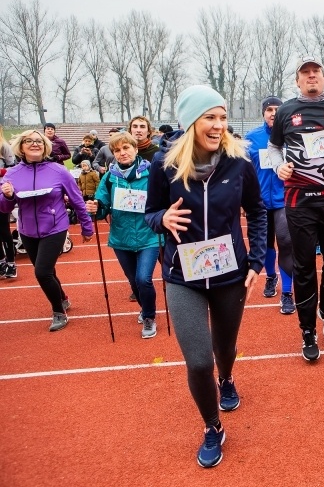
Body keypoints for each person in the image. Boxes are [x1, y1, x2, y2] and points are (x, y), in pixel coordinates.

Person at [144, 85, 268, 468]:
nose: (218, 125)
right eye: (210, 117)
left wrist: (257, 260)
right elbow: (150, 214)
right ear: (191, 121)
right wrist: (161, 219)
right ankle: (213, 426)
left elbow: (257, 212)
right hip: (183, 276)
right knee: (199, 361)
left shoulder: (239, 163)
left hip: (230, 273)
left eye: (222, 117)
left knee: (224, 350)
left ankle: (227, 378)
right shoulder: (163, 165)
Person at [266, 56, 324, 362]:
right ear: (297, 80)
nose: (310, 76)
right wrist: (279, 167)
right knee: (304, 266)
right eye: (304, 73)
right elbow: (274, 147)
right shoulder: (286, 111)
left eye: (315, 72)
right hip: (299, 201)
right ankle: (307, 329)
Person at [0, 129, 94, 331]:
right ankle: (63, 298)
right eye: (29, 141)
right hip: (27, 230)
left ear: (45, 146)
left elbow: (77, 200)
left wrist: (87, 226)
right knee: (48, 270)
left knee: (41, 272)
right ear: (21, 147)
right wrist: (7, 196)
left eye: (39, 141)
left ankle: (58, 311)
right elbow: (5, 208)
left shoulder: (58, 170)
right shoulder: (12, 174)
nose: (35, 144)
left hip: (55, 227)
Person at [86, 132, 161, 338]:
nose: (122, 153)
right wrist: (96, 207)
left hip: (149, 236)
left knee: (143, 278)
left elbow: (162, 200)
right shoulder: (110, 177)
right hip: (121, 237)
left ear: (135, 149)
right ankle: (145, 307)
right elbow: (102, 206)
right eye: (117, 150)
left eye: (126, 148)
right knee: (133, 280)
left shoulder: (151, 173)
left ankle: (149, 316)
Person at [245, 96, 295, 315]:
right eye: (269, 109)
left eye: (278, 109)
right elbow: (243, 172)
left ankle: (286, 292)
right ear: (263, 113)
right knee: (265, 244)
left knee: (285, 242)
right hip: (260, 202)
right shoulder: (251, 138)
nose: (273, 113)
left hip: (286, 199)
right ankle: (271, 277)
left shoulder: (293, 136)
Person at [0, 128, 16, 278]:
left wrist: (1, 172)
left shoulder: (4, 146)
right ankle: (1, 261)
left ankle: (11, 263)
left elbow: (13, 168)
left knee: (4, 230)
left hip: (1, 193)